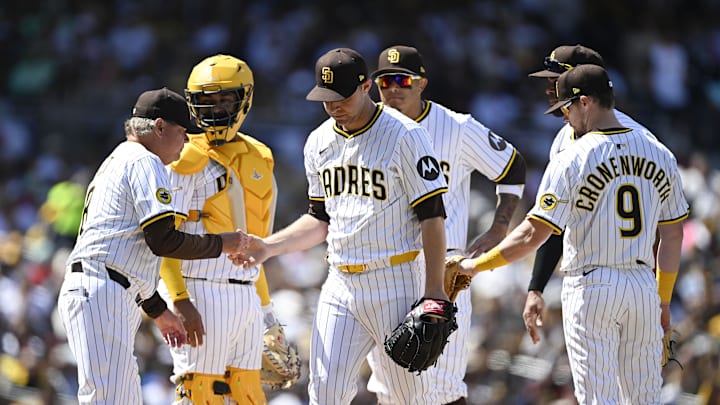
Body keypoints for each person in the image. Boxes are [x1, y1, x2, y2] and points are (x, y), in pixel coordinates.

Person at [455, 64, 689, 404]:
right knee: (643, 399)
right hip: (643, 287)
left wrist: (477, 265)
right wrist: (663, 301)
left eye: (566, 107)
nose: (564, 116)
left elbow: (533, 234)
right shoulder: (660, 152)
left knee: (599, 400)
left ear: (585, 102)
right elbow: (672, 236)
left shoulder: (574, 156)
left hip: (591, 286)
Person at [231, 47, 450, 405]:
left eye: (342, 97)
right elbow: (319, 220)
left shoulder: (405, 136)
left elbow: (432, 216)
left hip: (396, 280)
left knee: (406, 398)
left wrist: (434, 292)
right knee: (325, 393)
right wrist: (269, 247)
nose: (334, 106)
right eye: (326, 98)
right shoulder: (318, 142)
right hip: (340, 283)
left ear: (366, 87)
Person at [56, 87, 250, 404]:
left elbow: (127, 250)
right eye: (182, 131)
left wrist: (158, 311)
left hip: (105, 287)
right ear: (159, 127)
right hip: (102, 289)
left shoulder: (120, 158)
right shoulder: (145, 161)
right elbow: (163, 240)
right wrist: (222, 243)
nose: (187, 140)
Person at [365, 45, 526, 405]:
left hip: (445, 271)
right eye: (385, 80)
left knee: (444, 386)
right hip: (385, 267)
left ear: (421, 82)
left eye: (402, 80)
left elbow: (512, 166)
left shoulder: (456, 127)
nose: (393, 88)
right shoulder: (366, 128)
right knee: (389, 388)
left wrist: (500, 228)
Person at [157, 54, 279, 404]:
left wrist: (267, 311)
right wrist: (179, 300)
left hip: (246, 291)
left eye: (224, 99)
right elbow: (164, 240)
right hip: (200, 288)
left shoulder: (261, 155)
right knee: (199, 392)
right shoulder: (183, 156)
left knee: (247, 394)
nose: (214, 109)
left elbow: (258, 244)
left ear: (245, 98)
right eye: (205, 101)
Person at [522, 45, 659, 344]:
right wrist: (537, 287)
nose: (550, 90)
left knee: (625, 391)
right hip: (591, 280)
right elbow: (555, 222)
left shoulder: (638, 140)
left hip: (632, 278)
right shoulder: (563, 139)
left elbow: (664, 223)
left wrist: (661, 296)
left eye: (556, 80)